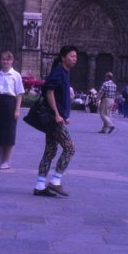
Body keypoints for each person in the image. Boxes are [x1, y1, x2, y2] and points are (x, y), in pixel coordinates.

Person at [33, 45, 78, 197]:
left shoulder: (64, 72)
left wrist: (65, 115)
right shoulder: (59, 71)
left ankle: (39, 185)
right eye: (72, 56)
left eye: (76, 57)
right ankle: (56, 181)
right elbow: (49, 92)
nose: (75, 59)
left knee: (50, 151)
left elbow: (60, 96)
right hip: (54, 119)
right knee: (70, 149)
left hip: (56, 118)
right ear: (63, 57)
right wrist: (58, 115)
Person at [0, 51, 24, 169]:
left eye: (8, 60)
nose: (6, 62)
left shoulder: (16, 75)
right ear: (1, 61)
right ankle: (1, 161)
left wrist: (17, 110)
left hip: (10, 103)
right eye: (4, 59)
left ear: (12, 61)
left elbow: (19, 94)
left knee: (9, 133)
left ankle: (7, 161)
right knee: (0, 134)